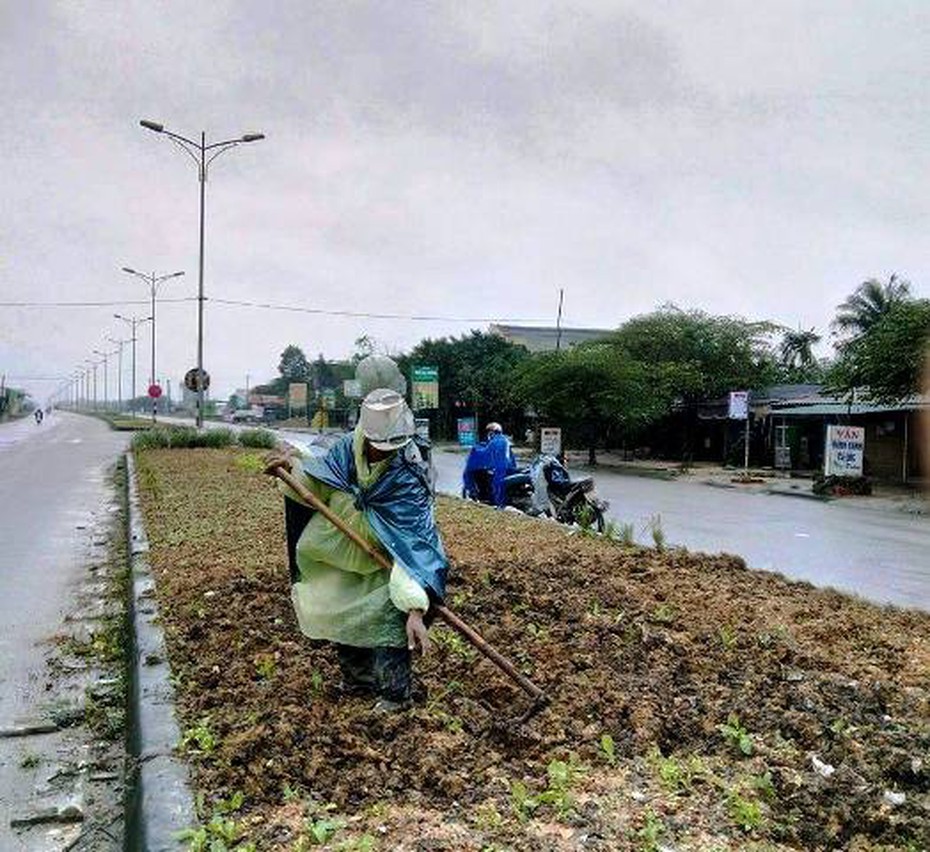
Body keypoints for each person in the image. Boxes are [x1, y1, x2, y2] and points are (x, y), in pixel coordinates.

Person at [274, 388, 447, 712]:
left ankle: (395, 696)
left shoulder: (408, 473)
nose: (384, 453)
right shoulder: (346, 449)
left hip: (387, 558)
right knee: (345, 610)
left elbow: (415, 539)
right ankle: (357, 682)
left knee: (389, 623)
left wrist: (415, 607)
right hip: (340, 547)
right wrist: (292, 469)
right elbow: (318, 481)